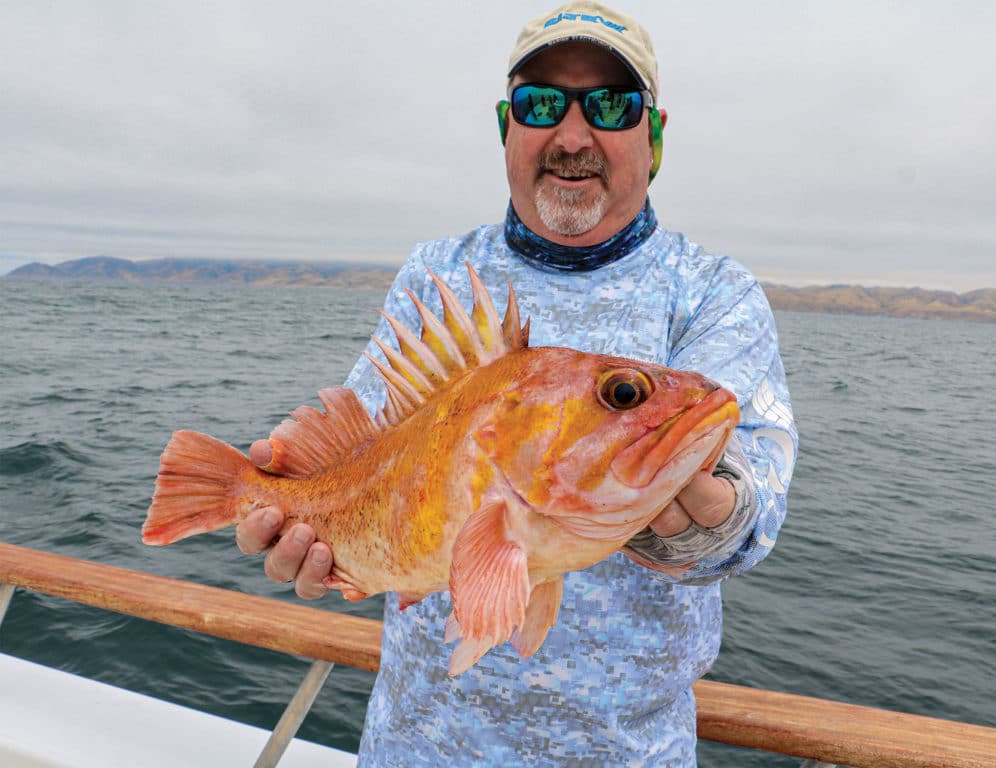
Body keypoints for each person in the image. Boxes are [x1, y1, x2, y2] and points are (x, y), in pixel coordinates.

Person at [237, 3, 798, 765]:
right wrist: (296, 520)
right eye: (540, 104)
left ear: (653, 135)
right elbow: (366, 449)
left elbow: (747, 508)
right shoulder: (438, 275)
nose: (572, 136)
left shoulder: (713, 292)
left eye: (609, 104)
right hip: (415, 748)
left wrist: (708, 516)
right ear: (508, 127)